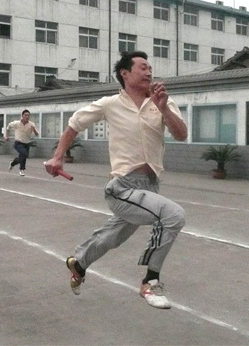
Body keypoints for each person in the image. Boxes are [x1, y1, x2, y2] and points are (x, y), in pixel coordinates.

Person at [44, 51, 187, 310]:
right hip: (122, 187)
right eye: (142, 67)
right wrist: (57, 157)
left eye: (150, 68)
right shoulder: (110, 104)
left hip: (149, 187)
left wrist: (164, 108)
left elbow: (181, 134)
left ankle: (79, 264)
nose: (149, 72)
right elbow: (74, 124)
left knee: (111, 238)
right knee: (173, 215)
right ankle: (150, 281)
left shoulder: (162, 102)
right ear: (125, 73)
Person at [5, 109, 39, 176]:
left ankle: (13, 163)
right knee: (24, 154)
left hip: (26, 143)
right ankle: (22, 169)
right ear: (22, 116)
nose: (27, 117)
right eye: (25, 115)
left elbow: (37, 134)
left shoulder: (31, 124)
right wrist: (6, 136)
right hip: (18, 143)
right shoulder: (17, 123)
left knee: (23, 156)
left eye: (28, 115)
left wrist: (34, 130)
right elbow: (8, 127)